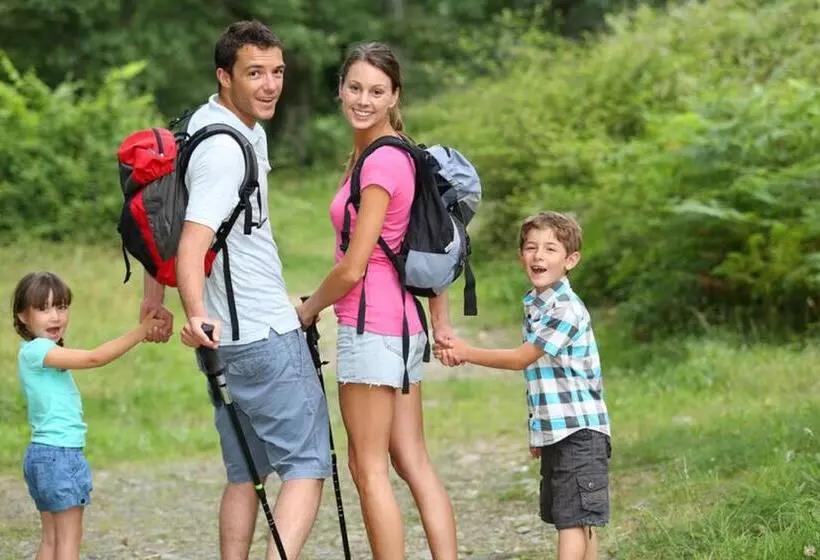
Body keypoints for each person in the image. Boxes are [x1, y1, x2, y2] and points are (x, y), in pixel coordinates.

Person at [142, 20, 331, 560]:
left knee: (246, 475)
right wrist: (195, 314)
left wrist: (155, 301)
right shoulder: (225, 150)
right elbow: (192, 237)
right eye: (254, 73)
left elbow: (168, 220)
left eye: (277, 72)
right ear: (225, 76)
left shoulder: (204, 125)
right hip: (262, 336)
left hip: (228, 346)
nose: (270, 85)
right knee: (306, 467)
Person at [296, 42, 458, 560]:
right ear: (341, 88)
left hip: (374, 329)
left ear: (395, 96)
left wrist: (308, 307)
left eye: (376, 91)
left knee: (368, 469)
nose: (363, 99)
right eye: (355, 87)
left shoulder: (382, 162)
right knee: (412, 460)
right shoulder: (395, 153)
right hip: (406, 327)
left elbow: (354, 266)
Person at [435, 211, 612, 560]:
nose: (538, 256)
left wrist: (467, 352)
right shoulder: (536, 305)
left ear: (570, 260)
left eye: (550, 249)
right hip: (559, 432)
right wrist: (539, 434)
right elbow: (542, 380)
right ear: (521, 256)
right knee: (578, 518)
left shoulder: (565, 309)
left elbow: (521, 359)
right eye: (531, 248)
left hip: (580, 432)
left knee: (572, 523)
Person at [12, 271, 161, 560]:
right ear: (22, 316)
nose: (55, 316)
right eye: (44, 309)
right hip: (60, 455)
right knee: (69, 541)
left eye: (62, 307)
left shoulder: (32, 353)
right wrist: (141, 331)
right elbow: (95, 357)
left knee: (51, 540)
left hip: (43, 455)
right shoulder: (40, 351)